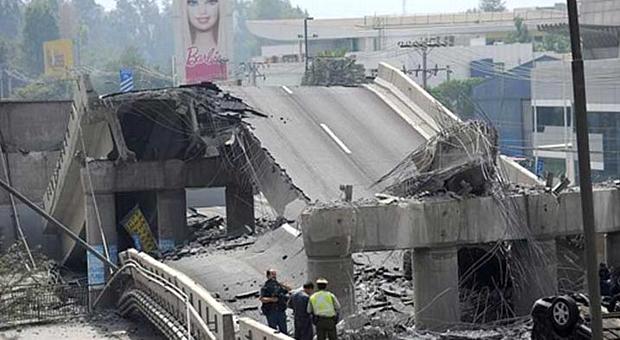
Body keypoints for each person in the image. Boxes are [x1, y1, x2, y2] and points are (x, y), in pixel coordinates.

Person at [181, 0, 227, 83]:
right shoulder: (181, 56)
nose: (202, 11)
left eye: (211, 2)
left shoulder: (227, 53)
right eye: (193, 3)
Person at [259, 269, 291, 334]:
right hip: (271, 312)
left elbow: (289, 289)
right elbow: (262, 299)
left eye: (275, 274)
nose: (274, 276)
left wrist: (282, 285)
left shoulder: (278, 285)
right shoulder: (265, 287)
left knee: (284, 332)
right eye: (272, 274)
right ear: (268, 276)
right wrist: (271, 300)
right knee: (272, 332)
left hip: (281, 311)